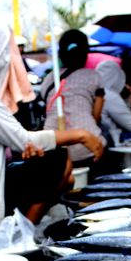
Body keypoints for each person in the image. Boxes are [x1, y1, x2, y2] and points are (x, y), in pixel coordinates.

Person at [0, 14, 103, 230]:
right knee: (59, 159)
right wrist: (81, 135)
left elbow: (13, 142)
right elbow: (22, 140)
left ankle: (18, 228)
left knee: (65, 177)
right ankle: (21, 235)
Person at [39, 29, 106, 164]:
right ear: (86, 54)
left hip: (53, 145)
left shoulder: (49, 79)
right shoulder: (94, 76)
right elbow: (96, 116)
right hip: (87, 147)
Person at [95, 59, 131, 145]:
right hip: (110, 142)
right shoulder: (109, 96)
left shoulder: (95, 91)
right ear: (117, 77)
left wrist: (126, 98)